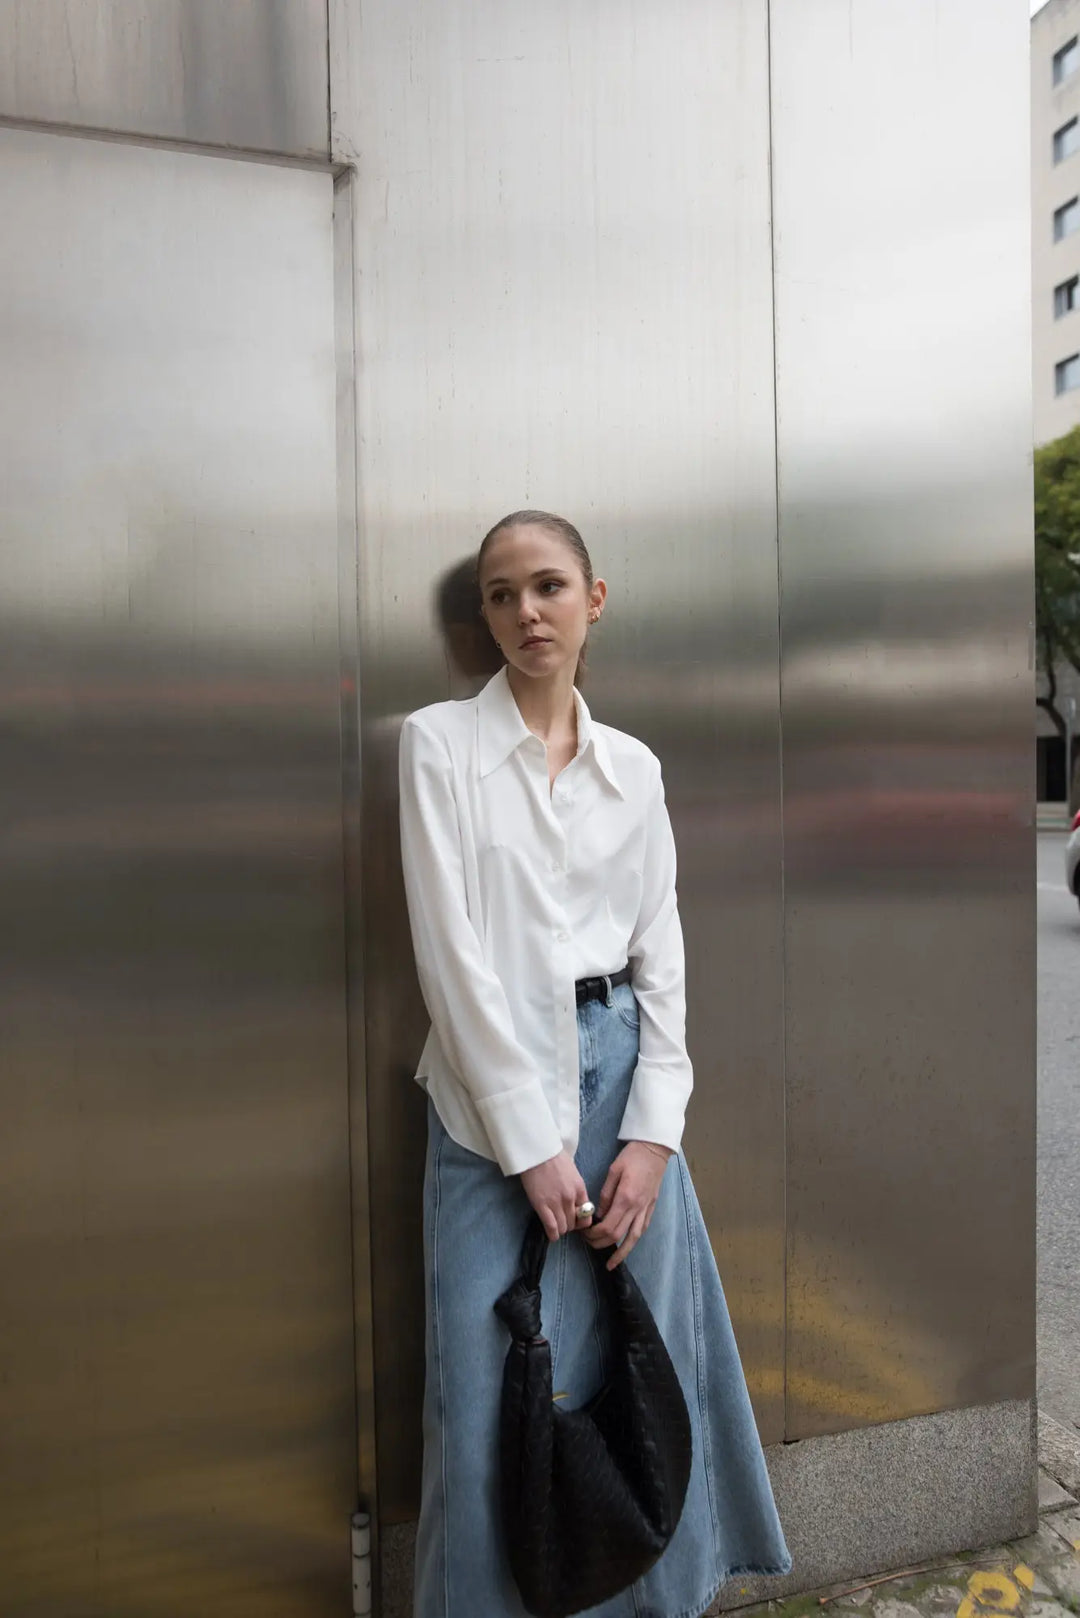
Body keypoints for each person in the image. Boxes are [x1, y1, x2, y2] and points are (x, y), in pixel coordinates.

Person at [398, 510, 792, 1618]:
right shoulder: (440, 746)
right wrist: (530, 1144)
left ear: (594, 599)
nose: (527, 610)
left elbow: (660, 948)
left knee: (639, 1378)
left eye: (550, 585)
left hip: (624, 1090)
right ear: (483, 615)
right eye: (501, 592)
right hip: (488, 1106)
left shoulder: (634, 767)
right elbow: (451, 957)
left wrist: (655, 1132)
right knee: (485, 1403)